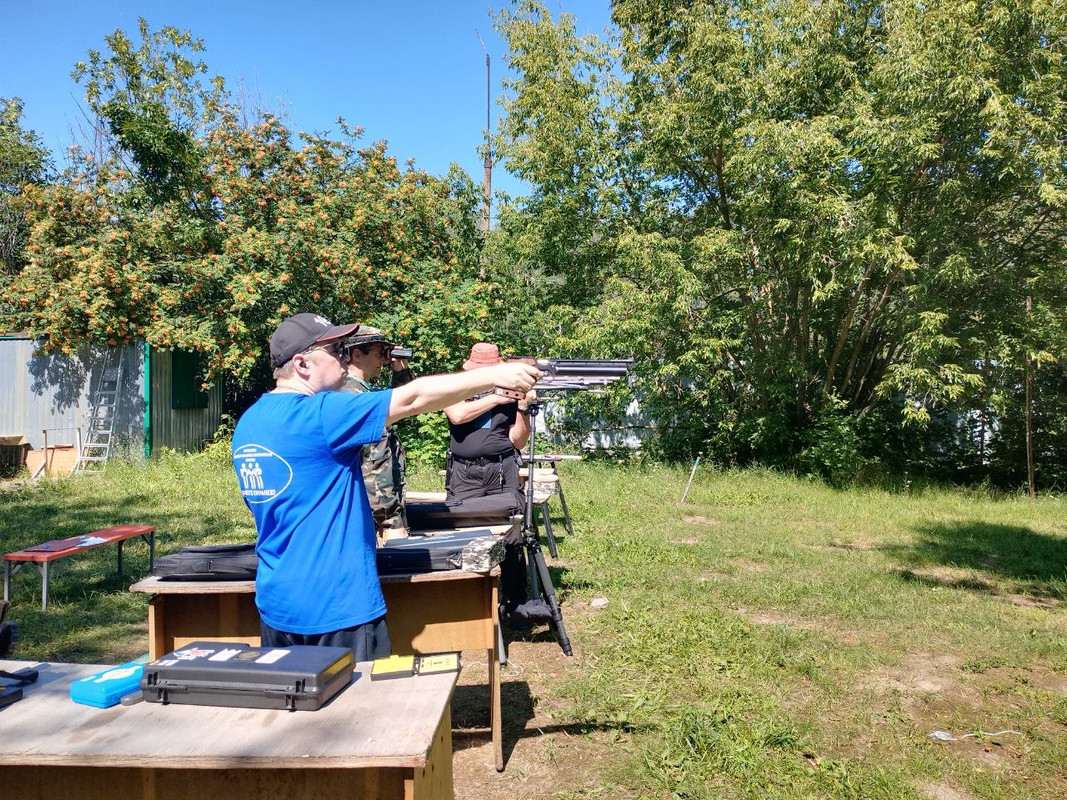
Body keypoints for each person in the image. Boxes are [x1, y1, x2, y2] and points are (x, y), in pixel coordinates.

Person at [232, 314, 539, 660]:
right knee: (359, 711)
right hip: (337, 607)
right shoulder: (320, 414)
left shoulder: (251, 422)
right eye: (335, 350)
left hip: (278, 603)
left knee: (299, 706)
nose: (346, 357)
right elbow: (412, 398)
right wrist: (495, 375)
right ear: (302, 363)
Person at [444, 342, 537, 621]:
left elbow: (518, 440)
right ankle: (467, 603)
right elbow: (458, 414)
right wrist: (498, 397)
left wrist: (521, 408)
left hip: (501, 468)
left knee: (511, 535)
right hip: (464, 471)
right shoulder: (454, 385)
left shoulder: (510, 390)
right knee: (463, 534)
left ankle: (515, 604)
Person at [340, 325, 412, 543]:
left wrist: (401, 372)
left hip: (364, 510)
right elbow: (375, 465)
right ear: (357, 355)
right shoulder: (355, 399)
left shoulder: (355, 391)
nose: (383, 360)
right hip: (372, 514)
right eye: (380, 353)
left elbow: (405, 406)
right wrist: (391, 520)